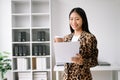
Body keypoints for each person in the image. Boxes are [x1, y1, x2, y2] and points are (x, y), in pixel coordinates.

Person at [54, 7, 98, 80]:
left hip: (82, 78)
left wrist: (82, 61)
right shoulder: (66, 38)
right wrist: (57, 47)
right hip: (67, 77)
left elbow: (94, 61)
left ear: (83, 20)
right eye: (71, 19)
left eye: (77, 19)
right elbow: (63, 59)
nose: (73, 22)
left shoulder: (90, 38)